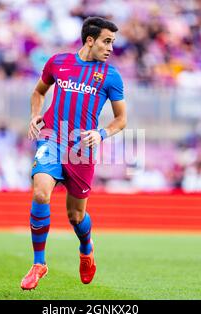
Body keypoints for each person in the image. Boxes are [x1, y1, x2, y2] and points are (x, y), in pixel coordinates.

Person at [20, 16, 127, 290]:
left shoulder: (110, 76)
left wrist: (101, 134)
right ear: (90, 40)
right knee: (41, 191)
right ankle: (39, 263)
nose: (110, 48)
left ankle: (86, 247)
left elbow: (121, 119)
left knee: (75, 216)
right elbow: (38, 92)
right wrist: (35, 115)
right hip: (52, 138)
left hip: (81, 150)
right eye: (106, 41)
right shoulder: (58, 62)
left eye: (113, 42)